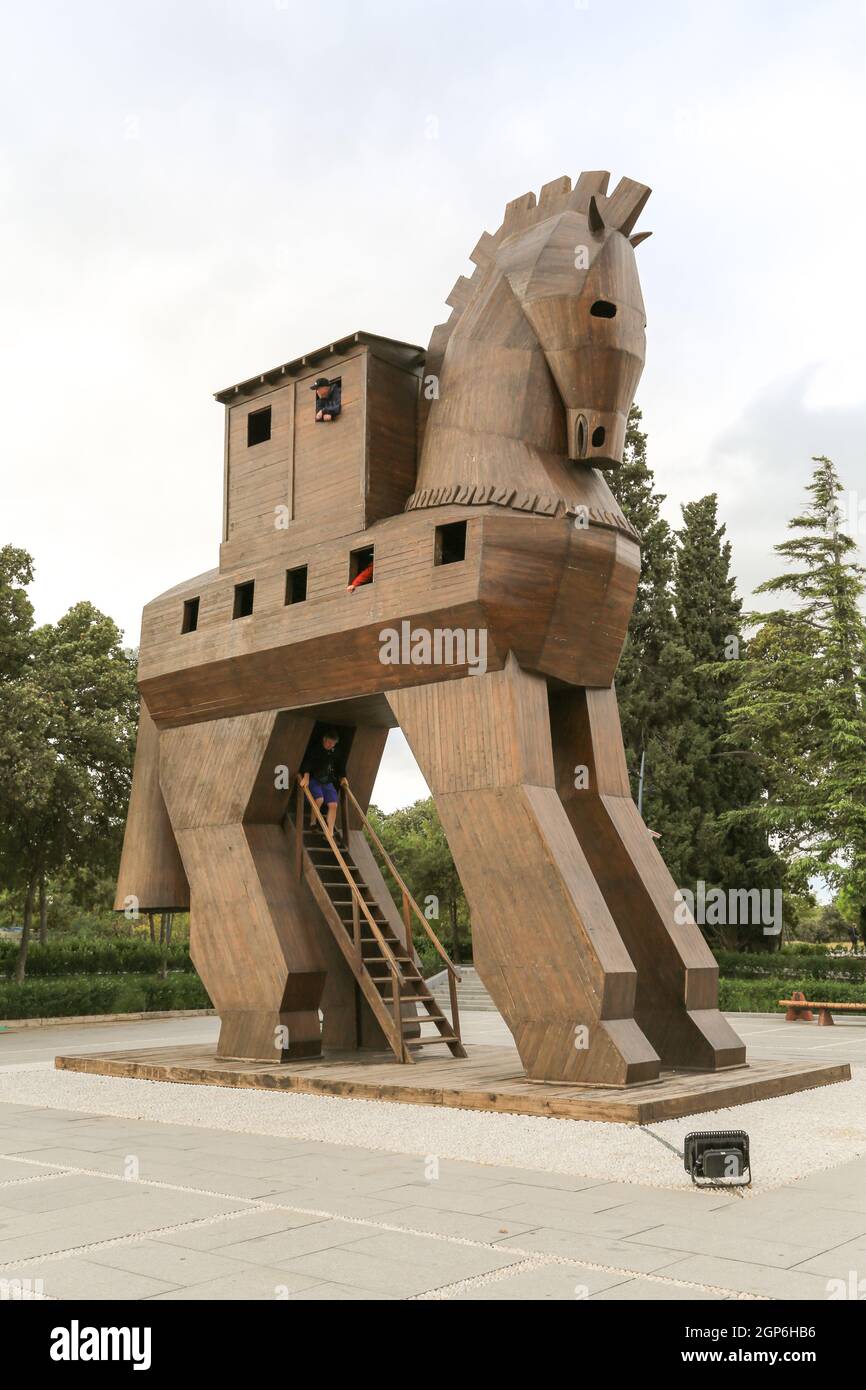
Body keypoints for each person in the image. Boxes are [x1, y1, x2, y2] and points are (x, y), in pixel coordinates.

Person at [299, 728, 346, 841]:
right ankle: (313, 822)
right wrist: (306, 775)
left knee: (333, 805)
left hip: (328, 781)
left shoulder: (335, 752)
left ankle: (330, 832)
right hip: (315, 779)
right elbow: (308, 762)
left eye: (333, 743)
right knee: (319, 799)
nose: (330, 745)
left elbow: (340, 765)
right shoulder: (315, 749)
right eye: (329, 742)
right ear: (324, 740)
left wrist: (343, 777)